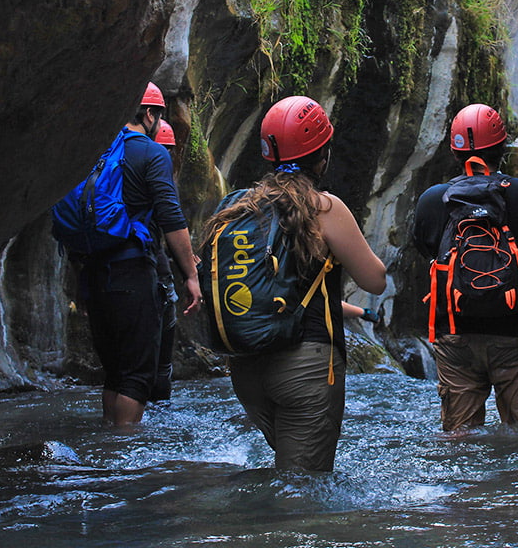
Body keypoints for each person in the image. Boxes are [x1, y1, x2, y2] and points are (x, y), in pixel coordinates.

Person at [203, 95, 386, 471]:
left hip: (246, 369)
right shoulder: (324, 208)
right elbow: (375, 279)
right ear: (323, 155)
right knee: (300, 493)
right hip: (305, 367)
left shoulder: (240, 205)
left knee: (288, 472)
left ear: (269, 153)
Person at [413, 103, 518, 432]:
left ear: (453, 151)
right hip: (517, 333)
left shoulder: (434, 199)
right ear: (503, 148)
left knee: (459, 440)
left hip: (455, 333)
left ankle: (464, 485)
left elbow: (425, 249)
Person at [83, 83, 202, 425]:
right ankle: (123, 459)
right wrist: (190, 276)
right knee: (136, 376)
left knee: (114, 373)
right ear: (149, 114)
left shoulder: (99, 150)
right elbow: (170, 216)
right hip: (131, 273)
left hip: (93, 275)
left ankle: (106, 449)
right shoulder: (151, 154)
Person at [149, 119, 179, 401]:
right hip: (154, 270)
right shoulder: (159, 177)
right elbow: (171, 224)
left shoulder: (122, 167)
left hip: (116, 270)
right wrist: (191, 273)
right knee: (161, 356)